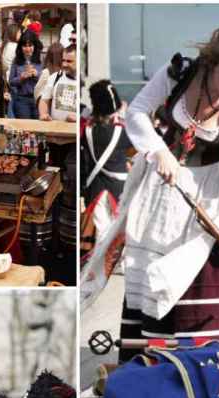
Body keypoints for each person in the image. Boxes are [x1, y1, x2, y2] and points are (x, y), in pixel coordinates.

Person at [107, 25, 219, 358]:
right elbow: (136, 112)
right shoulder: (178, 73)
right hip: (164, 191)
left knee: (201, 288)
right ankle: (154, 365)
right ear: (211, 63)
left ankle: (204, 366)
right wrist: (158, 150)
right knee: (154, 280)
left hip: (213, 198)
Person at [80, 79, 131, 263]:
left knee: (102, 226)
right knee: (120, 226)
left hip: (96, 185)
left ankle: (103, 262)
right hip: (120, 186)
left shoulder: (87, 130)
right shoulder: (122, 131)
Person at [9, 31, 43, 119]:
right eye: (25, 46)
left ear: (35, 46)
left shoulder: (41, 60)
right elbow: (11, 82)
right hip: (22, 100)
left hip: (38, 99)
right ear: (20, 47)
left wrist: (37, 74)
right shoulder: (16, 61)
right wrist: (21, 78)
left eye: (30, 45)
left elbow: (47, 80)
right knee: (24, 125)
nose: (27, 49)